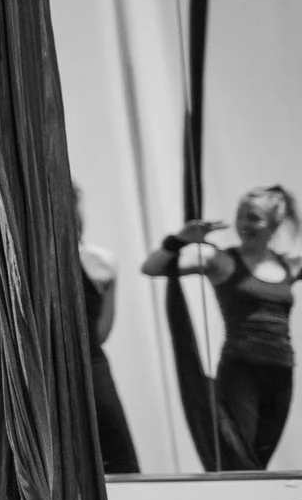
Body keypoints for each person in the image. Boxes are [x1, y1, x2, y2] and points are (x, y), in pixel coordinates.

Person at [140, 184, 300, 470]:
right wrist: (178, 240)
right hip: (241, 371)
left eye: (253, 217)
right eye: (241, 216)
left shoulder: (290, 265)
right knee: (237, 461)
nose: (244, 224)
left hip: (281, 373)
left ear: (273, 224)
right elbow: (151, 268)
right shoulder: (221, 260)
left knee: (259, 464)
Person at [75, 184, 139, 474]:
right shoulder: (31, 263)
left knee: (117, 451)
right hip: (46, 363)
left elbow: (102, 330)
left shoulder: (101, 261)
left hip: (91, 361)